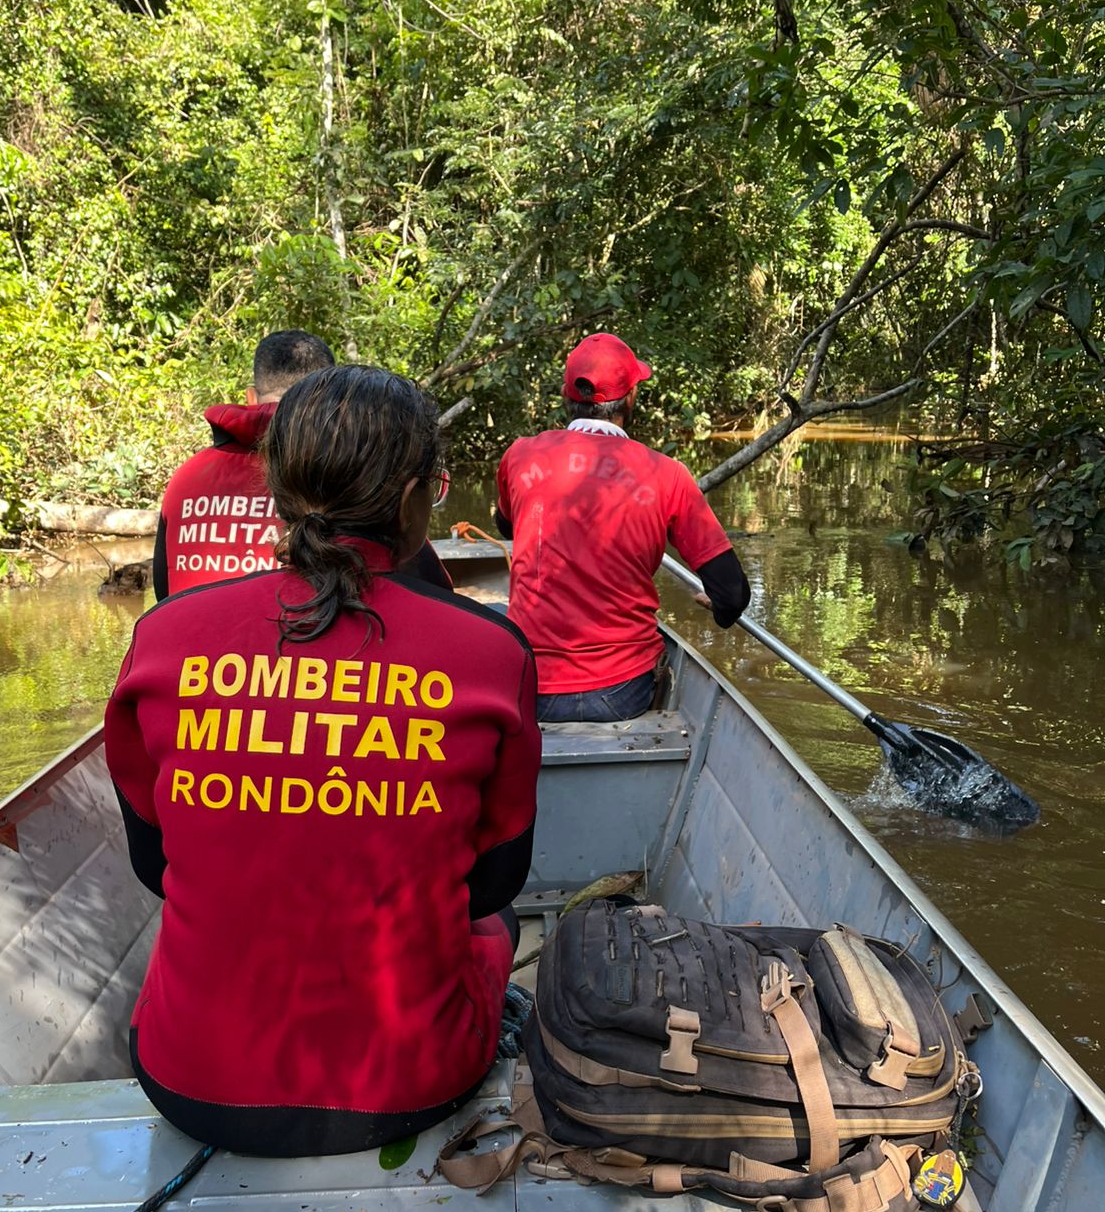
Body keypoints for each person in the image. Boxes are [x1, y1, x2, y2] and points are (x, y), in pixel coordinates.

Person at [106, 365, 541, 1157]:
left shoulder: (165, 637)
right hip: (410, 1083)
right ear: (414, 500)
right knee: (500, 922)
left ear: (277, 492)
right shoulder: (489, 652)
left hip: (184, 1078)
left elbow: (153, 864)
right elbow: (494, 882)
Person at [496, 332, 750, 723]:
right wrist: (719, 608)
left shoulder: (521, 455)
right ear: (630, 398)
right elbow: (733, 595)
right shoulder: (667, 475)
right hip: (621, 693)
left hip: (529, 689)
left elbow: (505, 526)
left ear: (568, 396)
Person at [152, 328, 452, 599]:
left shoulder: (188, 475)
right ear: (334, 398)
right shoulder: (351, 465)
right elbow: (426, 586)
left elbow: (164, 593)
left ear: (251, 396)